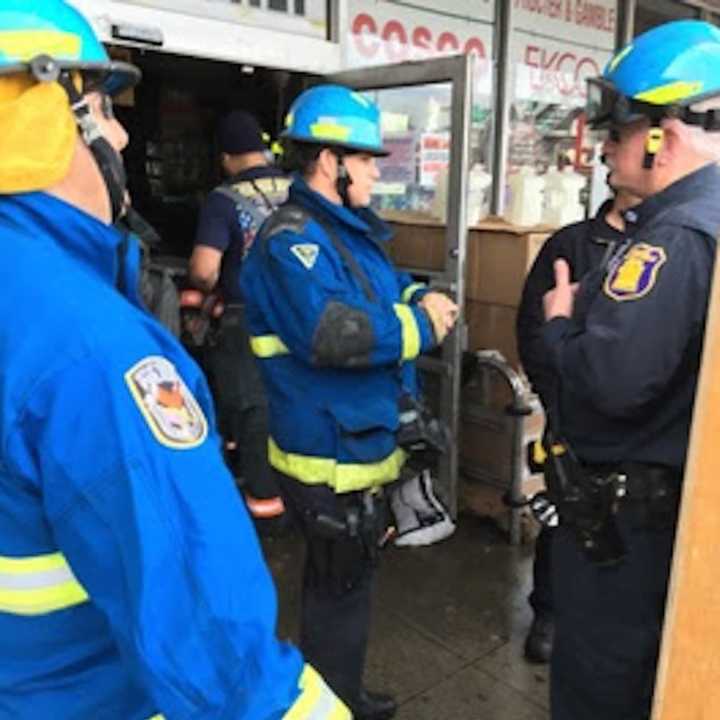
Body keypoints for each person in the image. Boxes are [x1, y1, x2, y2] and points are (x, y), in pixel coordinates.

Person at [0, 2, 349, 717]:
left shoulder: (218, 205)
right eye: (102, 107)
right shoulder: (96, 349)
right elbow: (218, 650)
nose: (123, 132)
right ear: (46, 121)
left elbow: (202, 271)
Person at [240, 84, 458, 719]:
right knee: (337, 592)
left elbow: (387, 285)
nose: (374, 170)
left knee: (347, 586)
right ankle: (334, 703)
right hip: (325, 458)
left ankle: (341, 692)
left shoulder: (344, 232)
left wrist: (418, 299)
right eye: (365, 159)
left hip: (356, 446)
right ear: (330, 161)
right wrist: (423, 327)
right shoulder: (291, 240)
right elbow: (332, 331)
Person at [541, 19, 720, 720]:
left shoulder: (672, 239)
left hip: (625, 534)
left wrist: (562, 322)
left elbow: (610, 383)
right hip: (665, 521)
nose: (604, 152)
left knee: (599, 685)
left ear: (662, 137)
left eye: (615, 134)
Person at [516, 185, 640, 663]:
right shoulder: (571, 245)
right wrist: (560, 399)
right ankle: (548, 611)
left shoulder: (665, 245)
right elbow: (532, 328)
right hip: (572, 417)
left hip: (636, 423)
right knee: (563, 515)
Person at [189, 110, 290, 530]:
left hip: (246, 319)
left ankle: (264, 512)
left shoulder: (223, 199)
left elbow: (204, 269)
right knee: (291, 406)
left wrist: (201, 291)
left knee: (250, 410)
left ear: (228, 156)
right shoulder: (298, 188)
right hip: (303, 318)